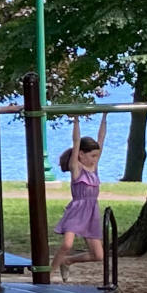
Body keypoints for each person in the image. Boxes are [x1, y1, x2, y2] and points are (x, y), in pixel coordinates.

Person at [51, 113, 108, 281]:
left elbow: (101, 139)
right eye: (92, 156)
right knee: (67, 244)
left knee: (98, 255)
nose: (95, 159)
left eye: (97, 156)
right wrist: (76, 120)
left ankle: (67, 262)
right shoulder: (76, 168)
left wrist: (104, 116)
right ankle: (49, 273)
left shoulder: (94, 167)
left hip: (92, 212)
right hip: (77, 210)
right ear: (81, 154)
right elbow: (76, 142)